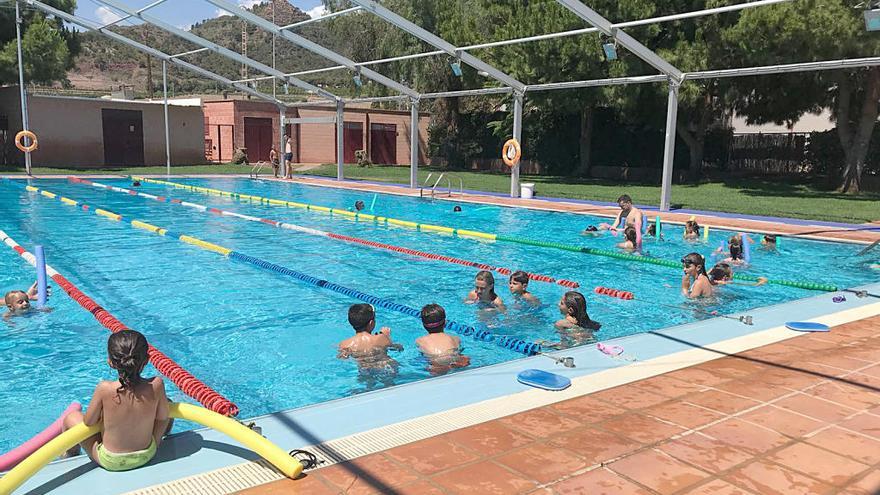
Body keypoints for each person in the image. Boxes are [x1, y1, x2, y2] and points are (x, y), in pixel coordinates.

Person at [61, 330, 171, 471]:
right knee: (167, 403)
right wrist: (155, 441)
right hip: (147, 454)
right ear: (147, 360)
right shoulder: (157, 385)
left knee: (71, 417)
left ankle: (69, 455)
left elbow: (89, 422)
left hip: (111, 461)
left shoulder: (104, 389)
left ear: (110, 362)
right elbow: (163, 418)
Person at [416, 304, 470, 375]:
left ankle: (443, 368)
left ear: (423, 325)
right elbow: (459, 350)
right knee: (464, 358)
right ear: (445, 323)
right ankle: (452, 366)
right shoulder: (455, 338)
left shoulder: (420, 340)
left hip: (437, 360)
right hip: (452, 356)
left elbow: (422, 356)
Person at [337, 304, 402, 363]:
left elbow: (342, 358)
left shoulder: (345, 344)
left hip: (365, 372)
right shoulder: (381, 338)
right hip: (387, 368)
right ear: (371, 323)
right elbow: (399, 348)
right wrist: (386, 336)